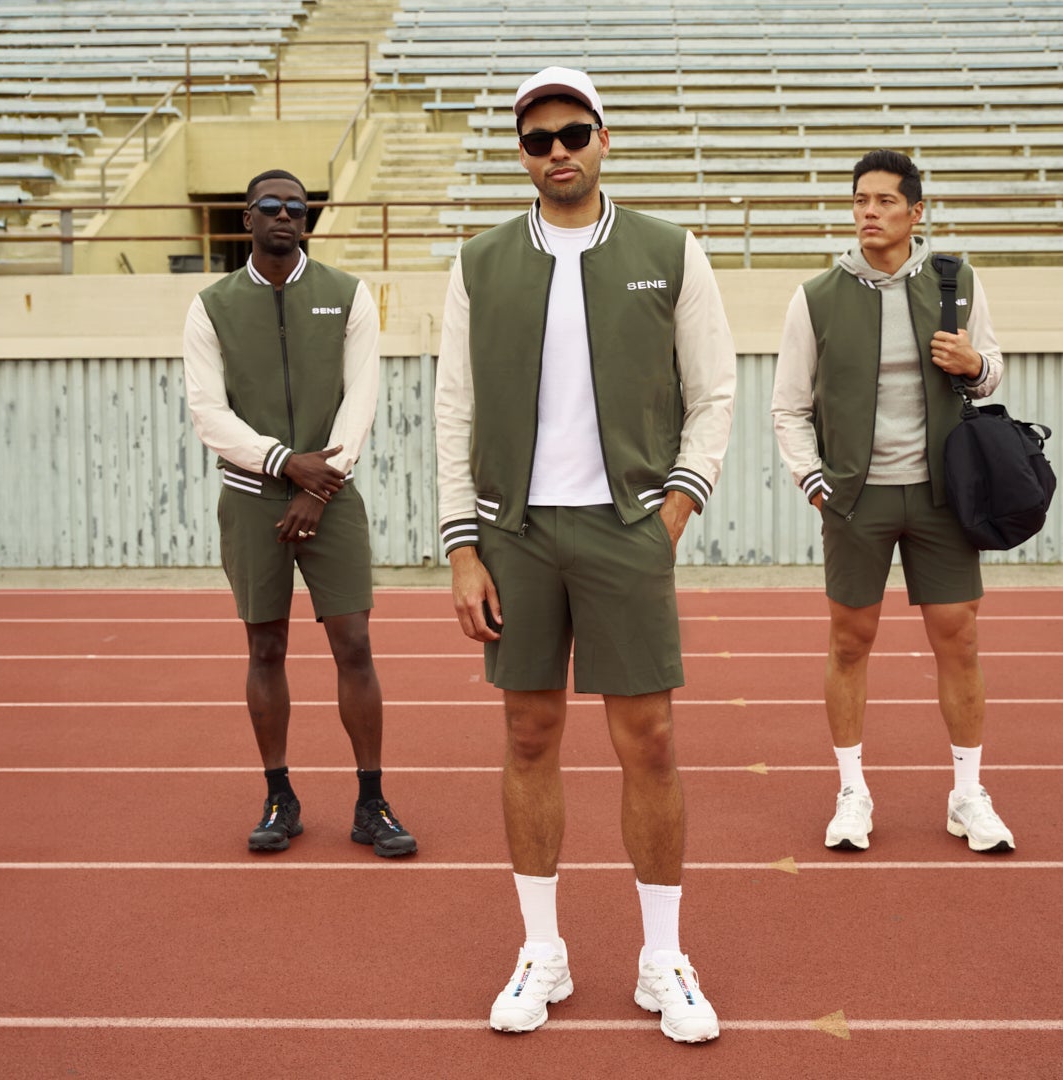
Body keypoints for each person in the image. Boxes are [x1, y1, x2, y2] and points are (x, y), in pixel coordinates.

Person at [433, 67, 737, 1042]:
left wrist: (677, 507)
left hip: (626, 529)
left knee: (647, 741)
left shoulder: (669, 249)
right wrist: (461, 546)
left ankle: (662, 959)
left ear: (603, 137)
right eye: (537, 139)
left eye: (573, 133)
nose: (557, 151)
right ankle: (543, 953)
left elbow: (716, 391)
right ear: (520, 154)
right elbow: (454, 409)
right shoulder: (479, 262)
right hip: (513, 534)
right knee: (529, 737)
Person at [769, 149, 1016, 856]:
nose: (869, 213)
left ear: (916, 212)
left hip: (942, 496)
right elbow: (788, 407)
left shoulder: (957, 281)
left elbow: (992, 368)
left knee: (958, 637)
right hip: (855, 499)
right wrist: (813, 481)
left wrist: (974, 367)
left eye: (884, 201)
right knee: (851, 641)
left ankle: (967, 794)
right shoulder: (815, 296)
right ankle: (852, 791)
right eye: (860, 201)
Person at [182, 168, 416, 859]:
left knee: (354, 646)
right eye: (269, 207)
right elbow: (208, 413)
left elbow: (362, 397)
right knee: (266, 648)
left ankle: (372, 801)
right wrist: (286, 463)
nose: (284, 216)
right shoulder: (211, 305)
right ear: (247, 219)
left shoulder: (346, 295)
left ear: (306, 221)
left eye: (296, 208)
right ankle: (279, 795)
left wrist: (319, 486)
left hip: (333, 498)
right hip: (253, 500)